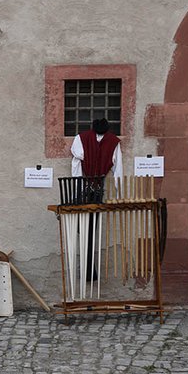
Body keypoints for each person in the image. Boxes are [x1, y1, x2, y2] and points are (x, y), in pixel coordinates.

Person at [70, 118, 122, 280]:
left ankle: (89, 269)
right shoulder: (81, 138)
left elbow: (118, 168)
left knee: (92, 229)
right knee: (84, 229)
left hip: (97, 190)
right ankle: (86, 268)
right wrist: (77, 192)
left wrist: (119, 193)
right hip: (85, 189)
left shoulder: (113, 142)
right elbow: (76, 165)